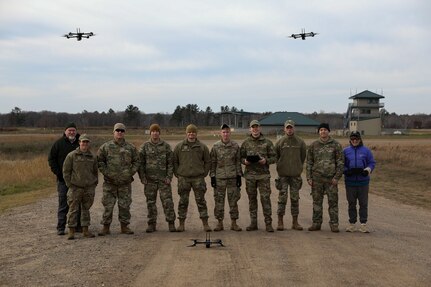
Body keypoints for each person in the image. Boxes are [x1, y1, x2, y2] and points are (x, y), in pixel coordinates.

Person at [97, 123, 139, 235]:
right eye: (117, 130)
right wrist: (107, 173)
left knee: (124, 205)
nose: (119, 132)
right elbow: (100, 161)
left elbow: (137, 161)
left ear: (124, 132)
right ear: (113, 132)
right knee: (108, 205)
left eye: (122, 130)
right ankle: (106, 227)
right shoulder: (105, 147)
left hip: (125, 183)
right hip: (110, 183)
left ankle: (124, 227)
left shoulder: (131, 148)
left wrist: (130, 172)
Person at [138, 124, 176, 233]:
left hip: (163, 180)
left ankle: (171, 223)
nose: (155, 133)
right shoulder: (144, 146)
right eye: (153, 131)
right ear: (150, 133)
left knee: (167, 202)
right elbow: (140, 164)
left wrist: (169, 177)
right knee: (150, 203)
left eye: (157, 131)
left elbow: (170, 163)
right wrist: (142, 177)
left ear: (159, 133)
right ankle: (151, 224)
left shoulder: (166, 146)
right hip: (149, 181)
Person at [306, 123, 344, 232]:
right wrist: (309, 177)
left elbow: (340, 163)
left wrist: (337, 177)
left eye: (325, 130)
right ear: (319, 132)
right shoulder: (314, 145)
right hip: (317, 179)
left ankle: (334, 224)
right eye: (321, 130)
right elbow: (309, 162)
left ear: (329, 131)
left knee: (333, 202)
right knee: (317, 203)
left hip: (331, 180)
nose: (323, 131)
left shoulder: (336, 145)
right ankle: (316, 223)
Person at [173, 124, 211, 232]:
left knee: (201, 201)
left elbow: (208, 161)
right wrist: (177, 173)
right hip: (183, 178)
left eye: (193, 132)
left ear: (196, 133)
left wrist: (204, 173)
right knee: (183, 201)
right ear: (186, 133)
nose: (191, 134)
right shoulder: (179, 146)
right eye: (189, 132)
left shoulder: (202, 147)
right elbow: (175, 161)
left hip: (198, 178)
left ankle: (205, 223)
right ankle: (181, 224)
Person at [240, 120, 276, 232]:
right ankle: (253, 223)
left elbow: (274, 157)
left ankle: (268, 223)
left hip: (263, 176)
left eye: (257, 127)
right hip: (250, 176)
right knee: (252, 200)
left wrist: (266, 161)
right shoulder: (246, 143)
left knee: (265, 199)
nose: (255, 129)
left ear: (260, 128)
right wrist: (245, 162)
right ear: (250, 129)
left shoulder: (267, 142)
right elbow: (240, 157)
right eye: (253, 127)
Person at [62, 134, 98, 240]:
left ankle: (85, 230)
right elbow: (66, 171)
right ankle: (71, 231)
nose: (85, 144)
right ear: (79, 142)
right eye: (83, 142)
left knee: (86, 209)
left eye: (87, 142)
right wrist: (70, 185)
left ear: (89, 143)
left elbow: (95, 172)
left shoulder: (92, 156)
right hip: (75, 188)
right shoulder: (72, 155)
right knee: (73, 209)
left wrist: (94, 184)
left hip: (88, 188)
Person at [48, 122, 81, 235]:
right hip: (63, 180)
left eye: (73, 130)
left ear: (76, 132)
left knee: (77, 203)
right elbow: (51, 159)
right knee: (63, 203)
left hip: (78, 181)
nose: (72, 132)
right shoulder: (58, 144)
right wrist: (58, 173)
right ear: (65, 131)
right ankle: (61, 227)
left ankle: (77, 226)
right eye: (69, 130)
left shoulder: (81, 143)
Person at [210, 124, 243, 232]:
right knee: (219, 201)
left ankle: (234, 223)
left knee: (233, 201)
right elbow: (213, 162)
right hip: (219, 178)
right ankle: (220, 223)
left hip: (232, 178)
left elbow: (238, 161)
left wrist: (239, 176)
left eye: (227, 132)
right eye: (223, 132)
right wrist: (213, 177)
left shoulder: (235, 146)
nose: (225, 134)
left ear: (230, 133)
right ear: (220, 133)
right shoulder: (215, 146)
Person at [274, 120, 306, 231]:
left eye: (291, 127)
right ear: (284, 129)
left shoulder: (300, 142)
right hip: (283, 176)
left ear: (294, 128)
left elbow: (302, 157)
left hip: (295, 176)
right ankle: (280, 221)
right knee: (282, 199)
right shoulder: (280, 142)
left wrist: (297, 168)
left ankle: (295, 222)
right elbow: (276, 157)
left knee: (295, 199)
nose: (289, 129)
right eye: (287, 128)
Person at [343, 131, 376, 233]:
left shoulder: (366, 151)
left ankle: (363, 224)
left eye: (356, 139)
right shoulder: (345, 151)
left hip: (363, 182)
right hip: (350, 182)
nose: (355, 141)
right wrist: (346, 171)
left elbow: (372, 162)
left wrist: (367, 170)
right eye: (352, 139)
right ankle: (352, 223)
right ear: (350, 140)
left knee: (363, 203)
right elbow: (341, 163)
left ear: (360, 139)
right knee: (351, 203)